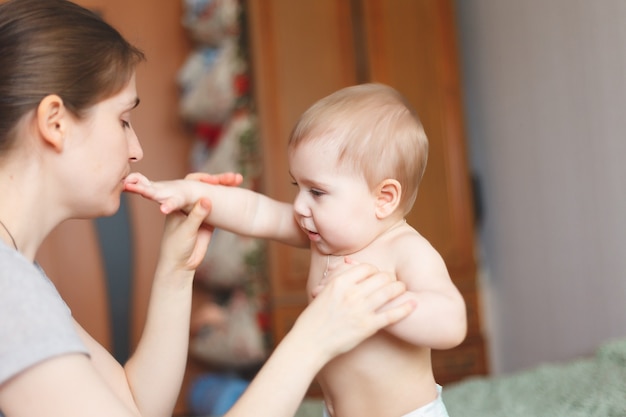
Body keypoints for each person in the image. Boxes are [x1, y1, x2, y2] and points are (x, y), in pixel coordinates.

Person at [0, 2, 416, 417]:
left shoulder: (19, 276)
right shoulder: (9, 289)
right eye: (123, 120)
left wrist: (176, 271)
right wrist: (315, 337)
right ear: (55, 122)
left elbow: (134, 405)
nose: (136, 150)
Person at [124, 83, 468, 417]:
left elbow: (451, 324)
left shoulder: (405, 250)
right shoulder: (323, 235)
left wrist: (381, 301)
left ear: (384, 198)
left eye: (317, 192)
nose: (300, 205)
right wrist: (187, 192)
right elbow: (254, 213)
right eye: (297, 186)